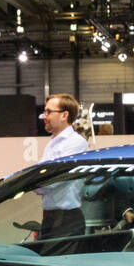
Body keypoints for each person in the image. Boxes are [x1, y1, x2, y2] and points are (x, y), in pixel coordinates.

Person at [37, 92, 90, 240]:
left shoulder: (76, 143)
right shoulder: (52, 142)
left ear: (64, 115)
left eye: (48, 111)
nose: (44, 116)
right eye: (44, 111)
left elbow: (54, 178)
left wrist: (34, 183)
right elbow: (42, 177)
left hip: (67, 219)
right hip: (50, 217)